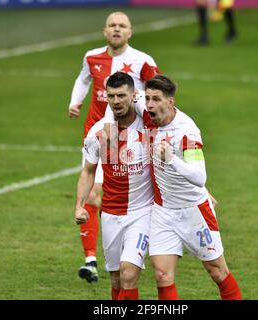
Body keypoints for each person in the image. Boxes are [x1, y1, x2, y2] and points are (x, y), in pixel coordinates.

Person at [104, 74, 242, 300]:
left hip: (193, 210)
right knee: (162, 275)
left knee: (217, 271)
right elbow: (119, 100)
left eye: (156, 99)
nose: (149, 104)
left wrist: (171, 159)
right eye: (148, 98)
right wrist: (109, 124)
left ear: (170, 102)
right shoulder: (146, 109)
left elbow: (199, 177)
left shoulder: (186, 133)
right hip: (162, 211)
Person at [68, 11, 160, 283]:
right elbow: (83, 79)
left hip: (135, 138)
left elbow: (158, 92)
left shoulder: (143, 60)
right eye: (112, 25)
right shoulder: (91, 57)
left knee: (144, 191)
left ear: (130, 32)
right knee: (94, 196)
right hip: (100, 138)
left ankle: (148, 242)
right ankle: (90, 260)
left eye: (122, 26)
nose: (117, 29)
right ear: (105, 30)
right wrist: (75, 102)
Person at [75, 72, 153, 300]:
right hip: (110, 213)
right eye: (111, 96)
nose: (116, 101)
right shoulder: (98, 132)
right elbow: (88, 171)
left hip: (142, 213)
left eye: (121, 95)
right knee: (117, 279)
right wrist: (79, 206)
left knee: (129, 274)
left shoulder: (149, 126)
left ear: (134, 95)